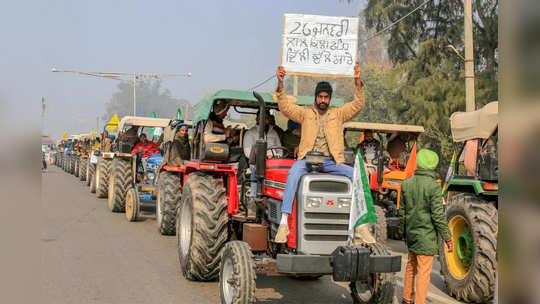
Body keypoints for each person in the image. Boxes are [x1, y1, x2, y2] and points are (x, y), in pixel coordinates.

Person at [274, 61, 366, 243]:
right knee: (293, 173)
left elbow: (357, 105)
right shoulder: (305, 113)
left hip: (332, 162)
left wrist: (358, 82)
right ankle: (284, 223)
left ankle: (361, 225)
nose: (323, 100)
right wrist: (280, 83)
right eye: (320, 97)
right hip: (307, 160)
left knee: (358, 176)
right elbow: (284, 107)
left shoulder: (338, 114)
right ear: (315, 97)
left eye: (326, 97)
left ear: (329, 98)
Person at [399, 149, 453, 304]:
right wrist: (448, 237)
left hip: (411, 234)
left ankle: (406, 298)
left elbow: (402, 213)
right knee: (423, 272)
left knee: (411, 266)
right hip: (426, 236)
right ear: (433, 165)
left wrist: (404, 233)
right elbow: (438, 216)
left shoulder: (406, 183)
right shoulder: (434, 187)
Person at [243, 109, 282, 197]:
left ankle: (277, 195)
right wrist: (262, 157)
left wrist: (275, 156)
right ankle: (254, 195)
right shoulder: (250, 133)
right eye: (262, 118)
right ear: (257, 119)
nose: (265, 120)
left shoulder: (274, 133)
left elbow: (280, 150)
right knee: (255, 169)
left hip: (273, 162)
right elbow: (248, 152)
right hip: (257, 162)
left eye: (266, 118)